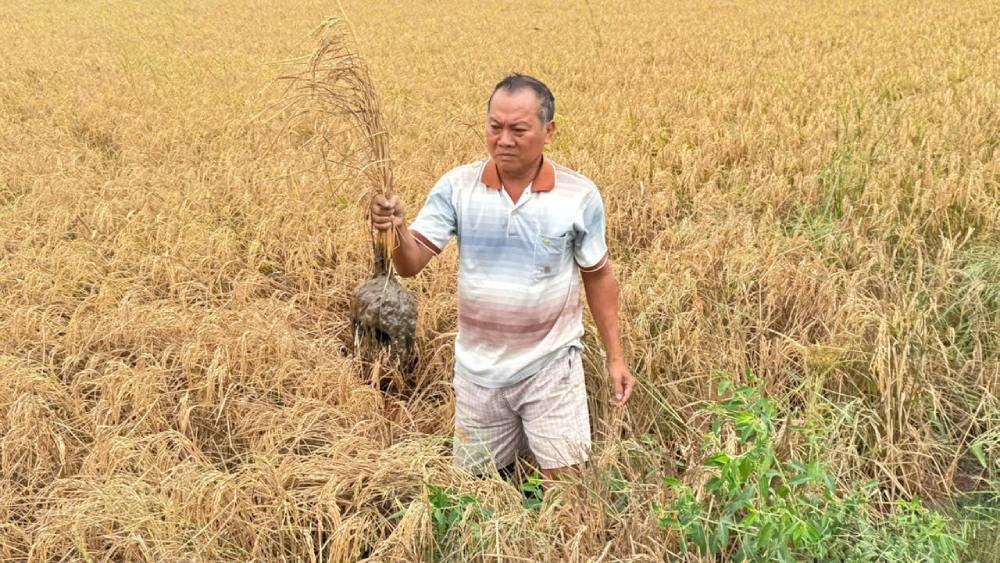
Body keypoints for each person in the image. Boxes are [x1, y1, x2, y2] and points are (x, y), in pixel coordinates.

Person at [370, 73, 634, 482]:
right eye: (495, 127)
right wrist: (396, 229)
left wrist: (615, 357)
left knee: (568, 492)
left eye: (518, 129)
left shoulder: (578, 196)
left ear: (549, 131)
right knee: (478, 494)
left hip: (551, 367)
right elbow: (410, 263)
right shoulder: (458, 187)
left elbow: (598, 276)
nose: (503, 140)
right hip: (479, 374)